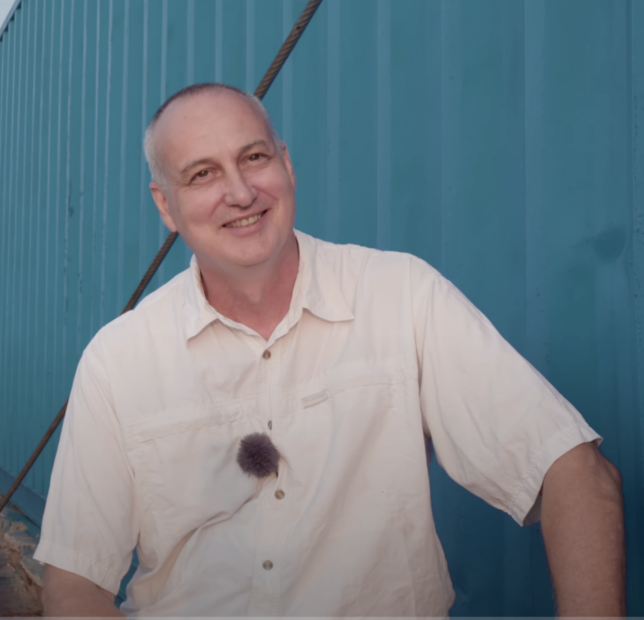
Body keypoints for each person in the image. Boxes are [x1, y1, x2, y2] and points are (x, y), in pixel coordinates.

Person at [33, 83, 625, 617]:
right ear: (166, 205)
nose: (240, 192)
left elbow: (573, 470)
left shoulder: (401, 296)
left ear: (287, 165)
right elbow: (73, 584)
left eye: (254, 158)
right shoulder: (117, 359)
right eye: (202, 175)